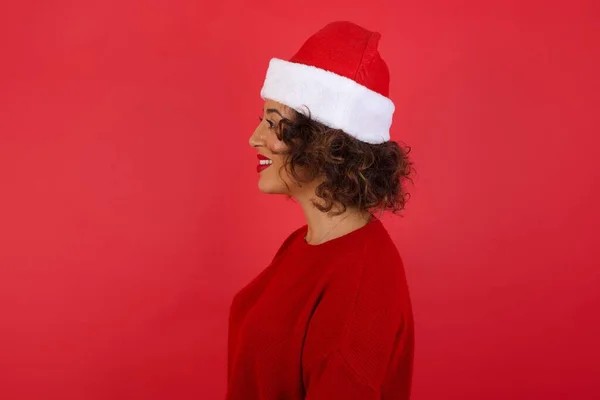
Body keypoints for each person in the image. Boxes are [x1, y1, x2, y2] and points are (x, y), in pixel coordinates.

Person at [226, 21, 414, 400]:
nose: (255, 138)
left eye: (273, 124)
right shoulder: (305, 244)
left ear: (326, 143)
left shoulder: (359, 285)